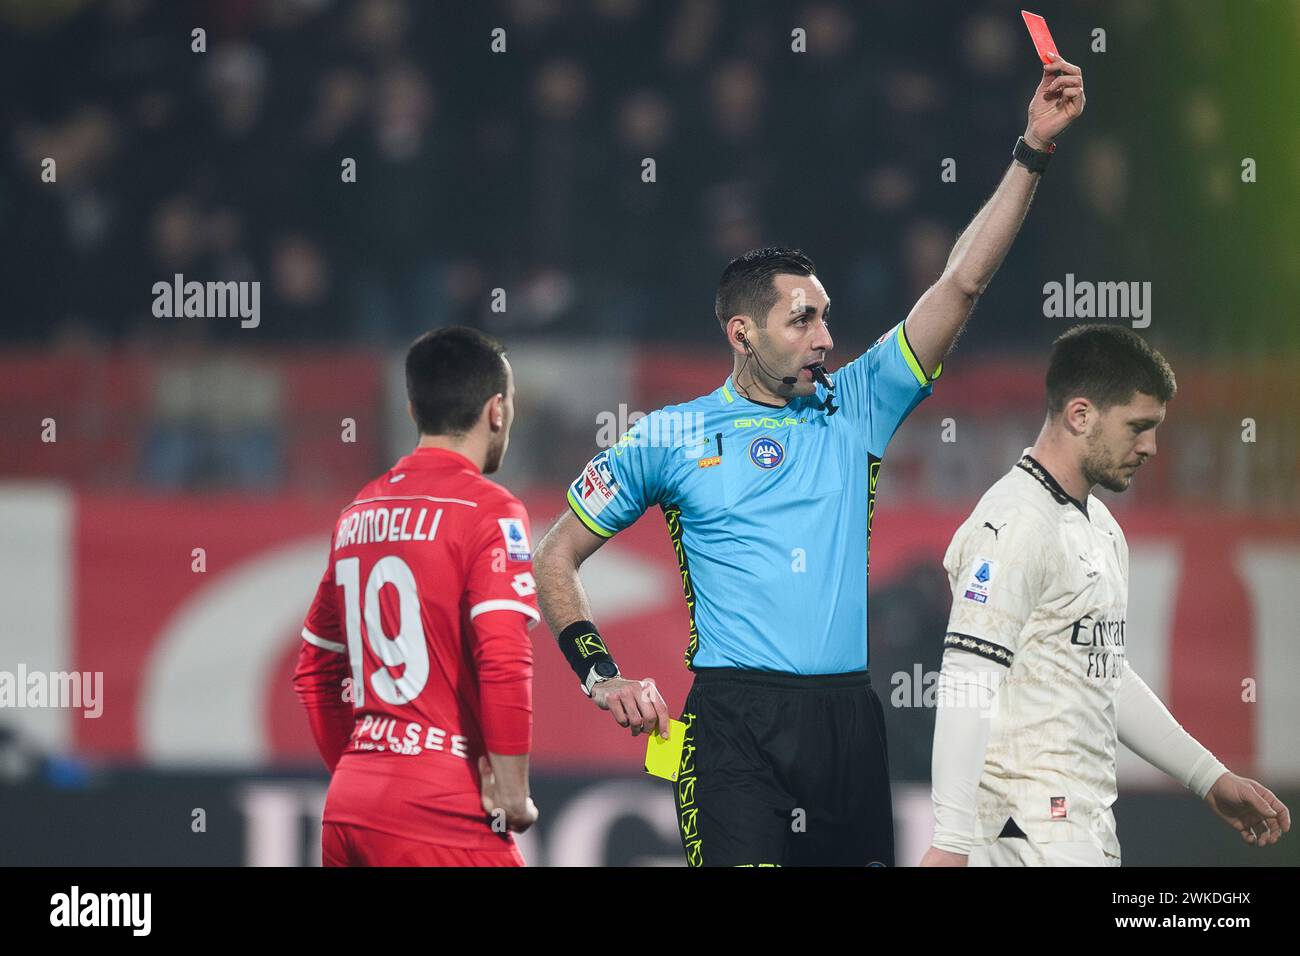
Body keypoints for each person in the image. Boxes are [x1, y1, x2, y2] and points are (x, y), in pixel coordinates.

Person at [533, 56, 1088, 866]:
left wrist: (1031, 149)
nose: (826, 337)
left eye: (827, 317)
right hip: (733, 727)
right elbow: (556, 554)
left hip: (846, 724)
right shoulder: (669, 436)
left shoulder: (855, 404)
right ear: (742, 334)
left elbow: (960, 282)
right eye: (803, 320)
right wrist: (600, 675)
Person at [922, 325, 1291, 867]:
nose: (1150, 448)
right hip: (1016, 833)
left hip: (1080, 831)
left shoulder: (1099, 525)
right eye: (1138, 427)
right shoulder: (1014, 524)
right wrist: (952, 841)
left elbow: (1104, 673)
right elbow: (967, 678)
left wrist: (1208, 776)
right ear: (1080, 415)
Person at [293, 326, 540, 866]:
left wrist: (365, 773)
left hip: (351, 809)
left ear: (412, 410)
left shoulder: (359, 512)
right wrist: (512, 788)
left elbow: (315, 668)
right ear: (497, 410)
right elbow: (503, 653)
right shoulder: (489, 510)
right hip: (441, 808)